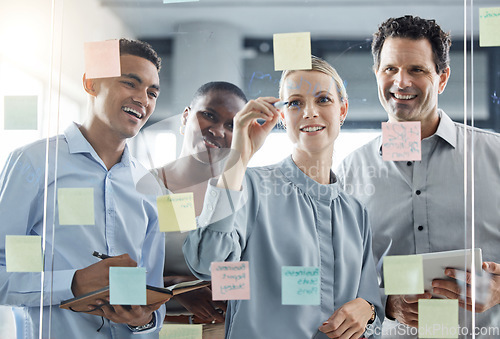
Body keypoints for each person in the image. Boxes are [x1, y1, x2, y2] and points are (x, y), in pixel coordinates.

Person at [183, 56, 383, 339]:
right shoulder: (250, 186)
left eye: (323, 99)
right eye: (295, 103)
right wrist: (239, 156)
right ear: (282, 116)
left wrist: (368, 309)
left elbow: (370, 306)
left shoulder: (355, 212)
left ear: (343, 110)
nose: (310, 112)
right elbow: (206, 262)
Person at [338, 15, 500, 337]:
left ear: (441, 79)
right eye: (390, 69)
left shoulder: (495, 156)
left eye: (417, 69)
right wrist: (385, 303)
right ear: (376, 75)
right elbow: (339, 277)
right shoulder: (349, 173)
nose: (401, 82)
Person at [0, 38, 167, 338]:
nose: (143, 99)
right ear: (91, 84)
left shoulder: (149, 187)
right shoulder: (35, 163)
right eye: (130, 83)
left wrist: (142, 320)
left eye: (152, 92)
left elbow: (153, 287)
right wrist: (73, 283)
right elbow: (3, 272)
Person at [139, 82, 247, 338]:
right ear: (186, 116)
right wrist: (175, 287)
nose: (218, 130)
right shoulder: (145, 187)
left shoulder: (243, 194)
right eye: (209, 115)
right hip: (163, 329)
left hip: (228, 330)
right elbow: (115, 275)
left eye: (232, 125)